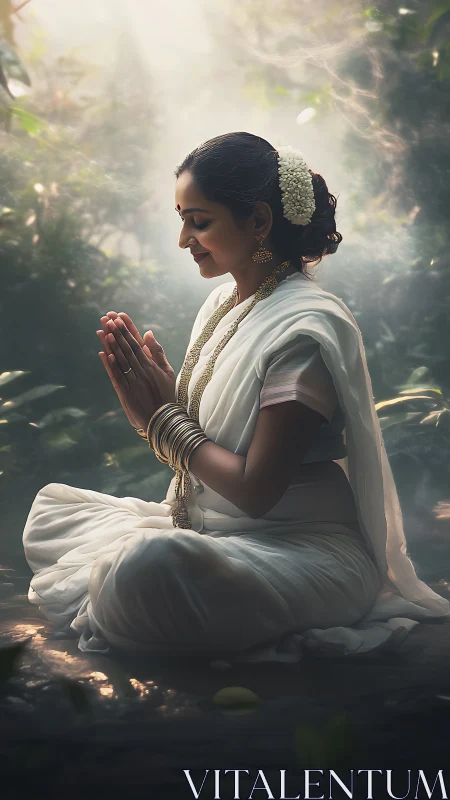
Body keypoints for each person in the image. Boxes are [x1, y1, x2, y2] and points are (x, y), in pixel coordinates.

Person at [22, 132, 449, 664]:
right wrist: (159, 406)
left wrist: (161, 420)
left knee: (147, 568)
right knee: (53, 512)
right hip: (213, 530)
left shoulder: (304, 328)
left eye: (199, 221)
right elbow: (213, 436)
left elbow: (255, 489)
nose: (184, 239)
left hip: (305, 548)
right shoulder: (223, 301)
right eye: (182, 218)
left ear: (261, 222)